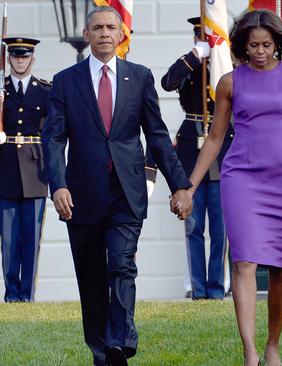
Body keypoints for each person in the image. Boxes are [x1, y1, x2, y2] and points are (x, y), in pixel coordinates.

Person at [42, 6, 192, 365]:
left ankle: (120, 343)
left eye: (111, 27)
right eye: (98, 28)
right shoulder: (65, 81)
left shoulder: (139, 77)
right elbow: (52, 139)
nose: (105, 33)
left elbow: (156, 136)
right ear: (87, 33)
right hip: (81, 194)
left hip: (127, 190)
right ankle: (101, 349)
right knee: (91, 275)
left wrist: (180, 186)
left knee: (122, 266)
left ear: (122, 32)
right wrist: (58, 185)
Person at [183, 9, 282, 366]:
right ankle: (250, 350)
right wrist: (191, 186)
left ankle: (273, 344)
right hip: (241, 177)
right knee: (243, 261)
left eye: (267, 45)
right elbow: (214, 140)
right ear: (242, 45)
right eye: (253, 45)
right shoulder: (229, 83)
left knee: (281, 267)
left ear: (278, 44)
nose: (260, 51)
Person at [157, 17, 234, 300]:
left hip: (223, 145)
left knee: (220, 227)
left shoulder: (228, 68)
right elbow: (167, 83)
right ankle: (198, 289)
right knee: (193, 225)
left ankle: (216, 288)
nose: (206, 41)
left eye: (210, 37)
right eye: (201, 37)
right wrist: (194, 56)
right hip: (192, 147)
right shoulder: (189, 64)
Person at [0, 37, 49, 303]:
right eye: (16, 56)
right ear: (8, 58)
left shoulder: (45, 91)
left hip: (35, 171)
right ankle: (11, 295)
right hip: (5, 169)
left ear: (33, 58)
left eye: (25, 55)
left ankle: (27, 296)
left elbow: (54, 133)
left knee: (31, 239)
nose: (20, 60)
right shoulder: (1, 89)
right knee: (8, 240)